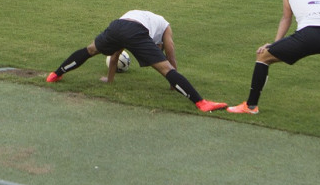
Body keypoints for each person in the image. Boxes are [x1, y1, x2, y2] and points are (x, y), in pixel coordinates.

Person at [45, 9, 229, 113]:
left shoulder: (144, 16)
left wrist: (109, 80)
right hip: (136, 30)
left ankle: (55, 74)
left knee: (90, 50)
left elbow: (115, 55)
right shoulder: (165, 25)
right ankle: (201, 102)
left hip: (117, 24)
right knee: (166, 69)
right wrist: (173, 82)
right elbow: (170, 52)